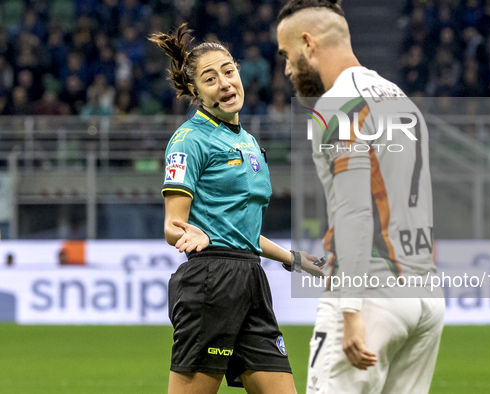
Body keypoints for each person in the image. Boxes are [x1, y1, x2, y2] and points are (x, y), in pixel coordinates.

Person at [276, 1, 445, 393]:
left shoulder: (337, 108)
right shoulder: (400, 100)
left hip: (369, 294)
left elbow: (354, 211)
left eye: (287, 55)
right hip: (425, 295)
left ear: (308, 43)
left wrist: (350, 308)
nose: (285, 69)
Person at [148, 23, 323, 394]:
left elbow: (238, 231)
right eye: (210, 78)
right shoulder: (189, 140)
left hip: (251, 280)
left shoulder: (248, 141)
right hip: (211, 282)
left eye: (229, 71)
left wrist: (294, 259)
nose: (225, 83)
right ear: (195, 91)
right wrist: (187, 231)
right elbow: (173, 225)